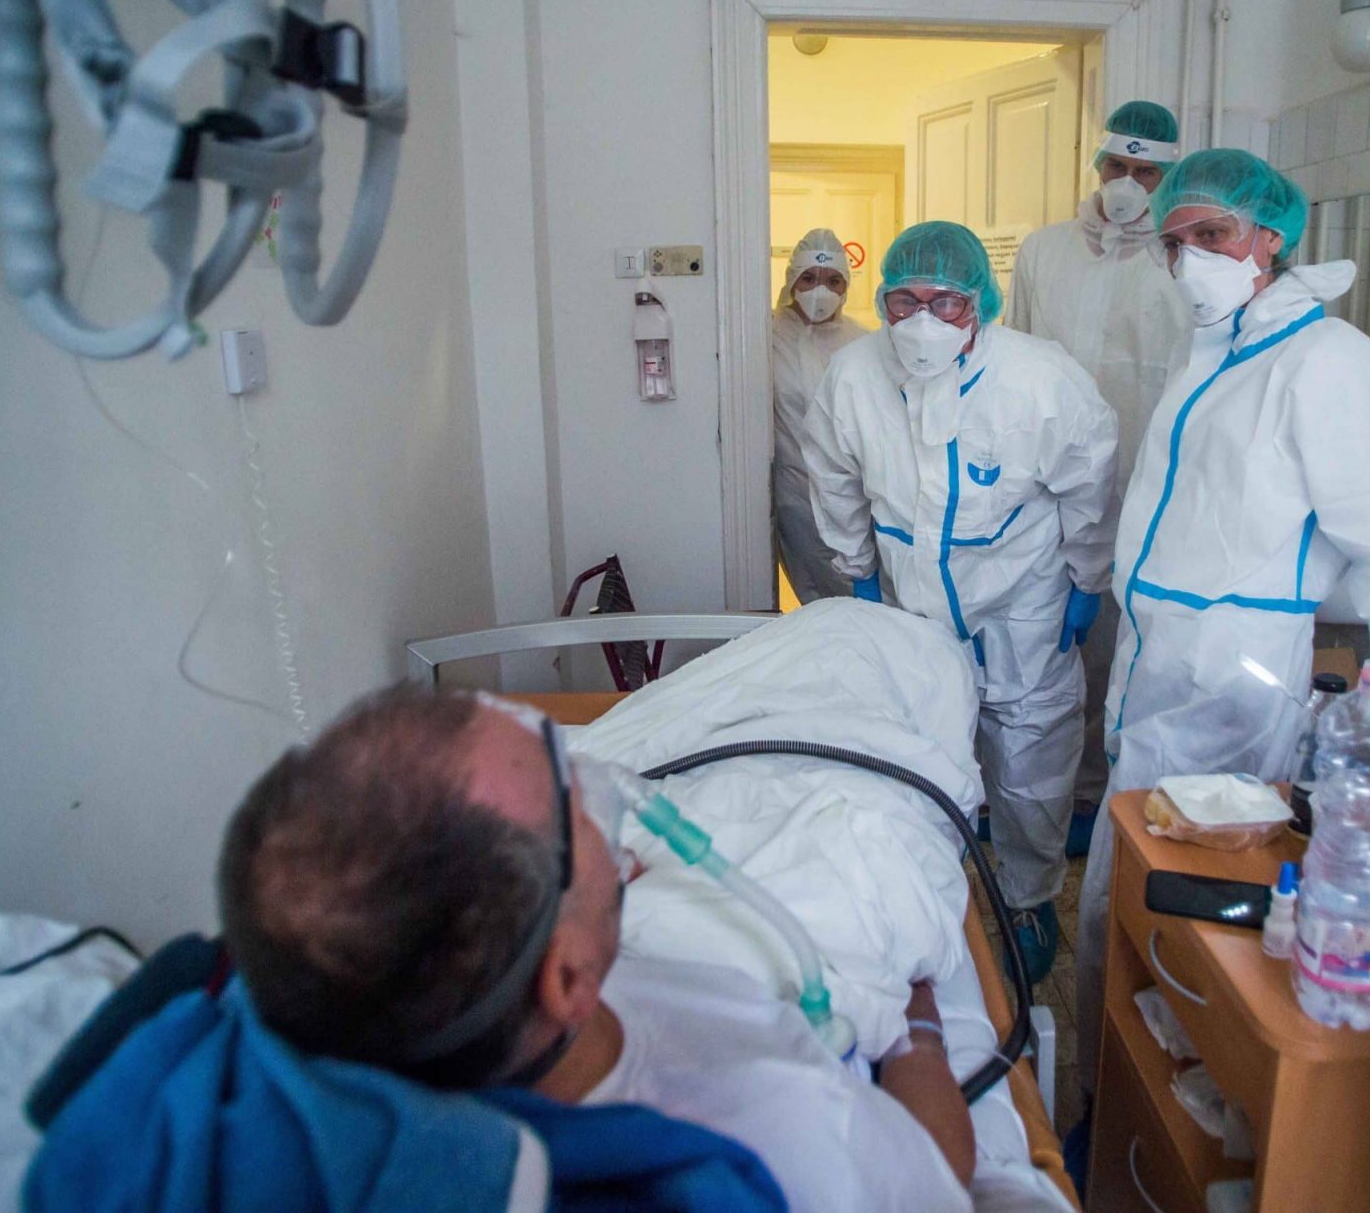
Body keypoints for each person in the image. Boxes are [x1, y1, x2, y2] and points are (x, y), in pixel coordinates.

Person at [210, 688, 975, 1212]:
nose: (608, 795)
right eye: (577, 806)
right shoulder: (785, 1133)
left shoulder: (357, 993)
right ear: (567, 980)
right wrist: (920, 1032)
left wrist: (592, 894)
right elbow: (937, 1177)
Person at [1071, 147, 1370, 1102]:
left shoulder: (1328, 363)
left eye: (1213, 233)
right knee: (1132, 886)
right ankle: (1110, 1094)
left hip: (1233, 680)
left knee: (1194, 916)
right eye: (1176, 243)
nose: (1190, 258)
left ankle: (1172, 1102)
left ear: (1269, 238)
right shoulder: (1220, 354)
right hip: (1163, 661)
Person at [802, 221, 1118, 981]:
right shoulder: (853, 376)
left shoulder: (1041, 379)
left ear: (982, 303)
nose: (922, 321)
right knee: (916, 751)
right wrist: (858, 570)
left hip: (1020, 599)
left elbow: (1091, 484)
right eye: (904, 301)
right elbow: (833, 477)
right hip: (908, 599)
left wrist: (1088, 579)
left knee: (1030, 757)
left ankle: (1028, 899)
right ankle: (926, 896)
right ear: (881, 300)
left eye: (945, 302)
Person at [1004, 99, 1188, 854]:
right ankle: (1022, 798)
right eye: (1117, 165)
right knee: (1032, 653)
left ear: (1168, 178)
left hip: (1140, 490)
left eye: (1146, 173)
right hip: (1041, 492)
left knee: (1118, 652)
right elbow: (1010, 360)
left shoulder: (1179, 263)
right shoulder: (1044, 251)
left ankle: (1097, 797)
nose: (1127, 184)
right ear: (1096, 163)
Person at [772, 229, 869, 604]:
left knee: (859, 593)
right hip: (793, 495)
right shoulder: (765, 336)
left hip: (855, 496)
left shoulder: (863, 343)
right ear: (791, 281)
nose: (820, 290)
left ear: (846, 288)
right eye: (809, 278)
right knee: (814, 593)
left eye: (833, 281)